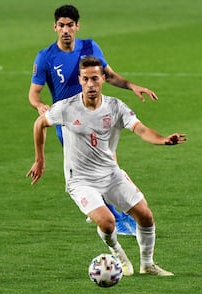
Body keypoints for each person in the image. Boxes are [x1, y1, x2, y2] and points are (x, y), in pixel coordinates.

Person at [27, 56, 186, 276]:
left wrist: (163, 139)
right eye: (85, 79)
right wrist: (40, 159)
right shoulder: (66, 108)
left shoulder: (115, 107)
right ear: (80, 80)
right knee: (108, 222)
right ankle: (119, 254)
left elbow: (140, 129)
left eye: (95, 78)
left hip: (111, 175)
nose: (91, 84)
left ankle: (147, 264)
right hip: (80, 181)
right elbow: (39, 123)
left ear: (103, 78)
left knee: (146, 216)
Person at [29, 4, 156, 236]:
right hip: (70, 120)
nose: (65, 30)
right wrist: (39, 105)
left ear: (77, 26)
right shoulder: (46, 57)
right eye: (61, 25)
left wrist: (131, 86)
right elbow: (33, 93)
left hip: (98, 114)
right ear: (55, 27)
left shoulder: (89, 46)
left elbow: (109, 75)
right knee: (95, 169)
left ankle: (106, 212)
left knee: (109, 166)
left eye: (70, 25)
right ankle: (111, 217)